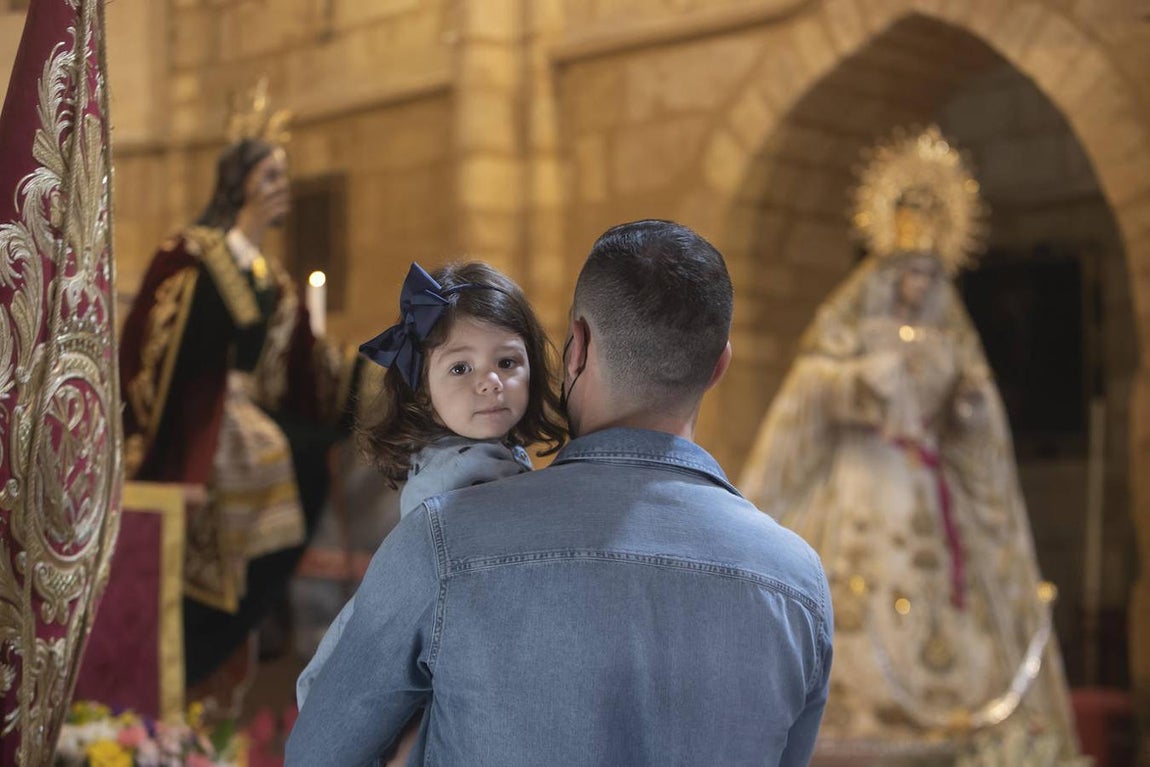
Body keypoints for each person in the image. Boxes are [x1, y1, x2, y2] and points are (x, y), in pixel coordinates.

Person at [286, 219, 833, 766]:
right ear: (718, 367)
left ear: (577, 348)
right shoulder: (799, 581)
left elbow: (318, 754)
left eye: (505, 362)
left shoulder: (442, 540)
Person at [738, 127, 1082, 763]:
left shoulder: (951, 337)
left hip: (928, 487)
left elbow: (976, 406)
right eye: (908, 273)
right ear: (886, 270)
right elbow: (810, 385)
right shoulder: (851, 324)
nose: (918, 287)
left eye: (929, 275)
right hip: (864, 486)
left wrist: (971, 408)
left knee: (943, 593)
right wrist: (857, 383)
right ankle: (852, 713)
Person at [119, 120, 350, 711]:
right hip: (196, 419)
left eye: (285, 177)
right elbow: (152, 347)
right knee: (277, 454)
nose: (282, 187)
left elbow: (303, 370)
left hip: (254, 416)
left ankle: (256, 607)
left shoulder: (274, 279)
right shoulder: (190, 254)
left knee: (309, 448)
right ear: (238, 182)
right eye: (270, 175)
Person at [295, 260, 566, 714]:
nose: (490, 381)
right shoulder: (467, 485)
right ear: (422, 391)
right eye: (461, 368)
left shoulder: (472, 460)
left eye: (507, 361)